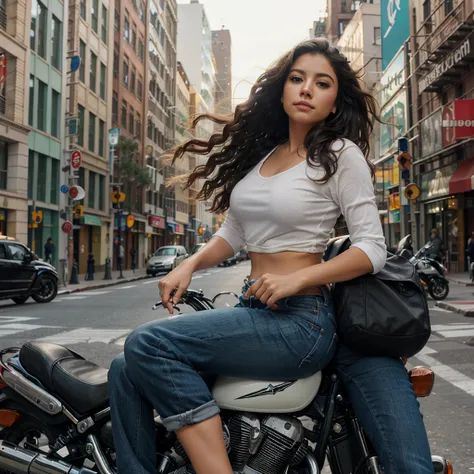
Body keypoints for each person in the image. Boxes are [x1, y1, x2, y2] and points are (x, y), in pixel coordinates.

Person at [108, 38, 434, 474]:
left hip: (300, 320)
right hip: (256, 307)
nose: (306, 89)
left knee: (148, 343)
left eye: (322, 83)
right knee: (125, 368)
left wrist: (298, 278)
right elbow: (234, 232)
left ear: (335, 102)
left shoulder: (340, 156)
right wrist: (190, 264)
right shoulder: (263, 158)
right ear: (282, 90)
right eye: (297, 79)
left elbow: (372, 248)